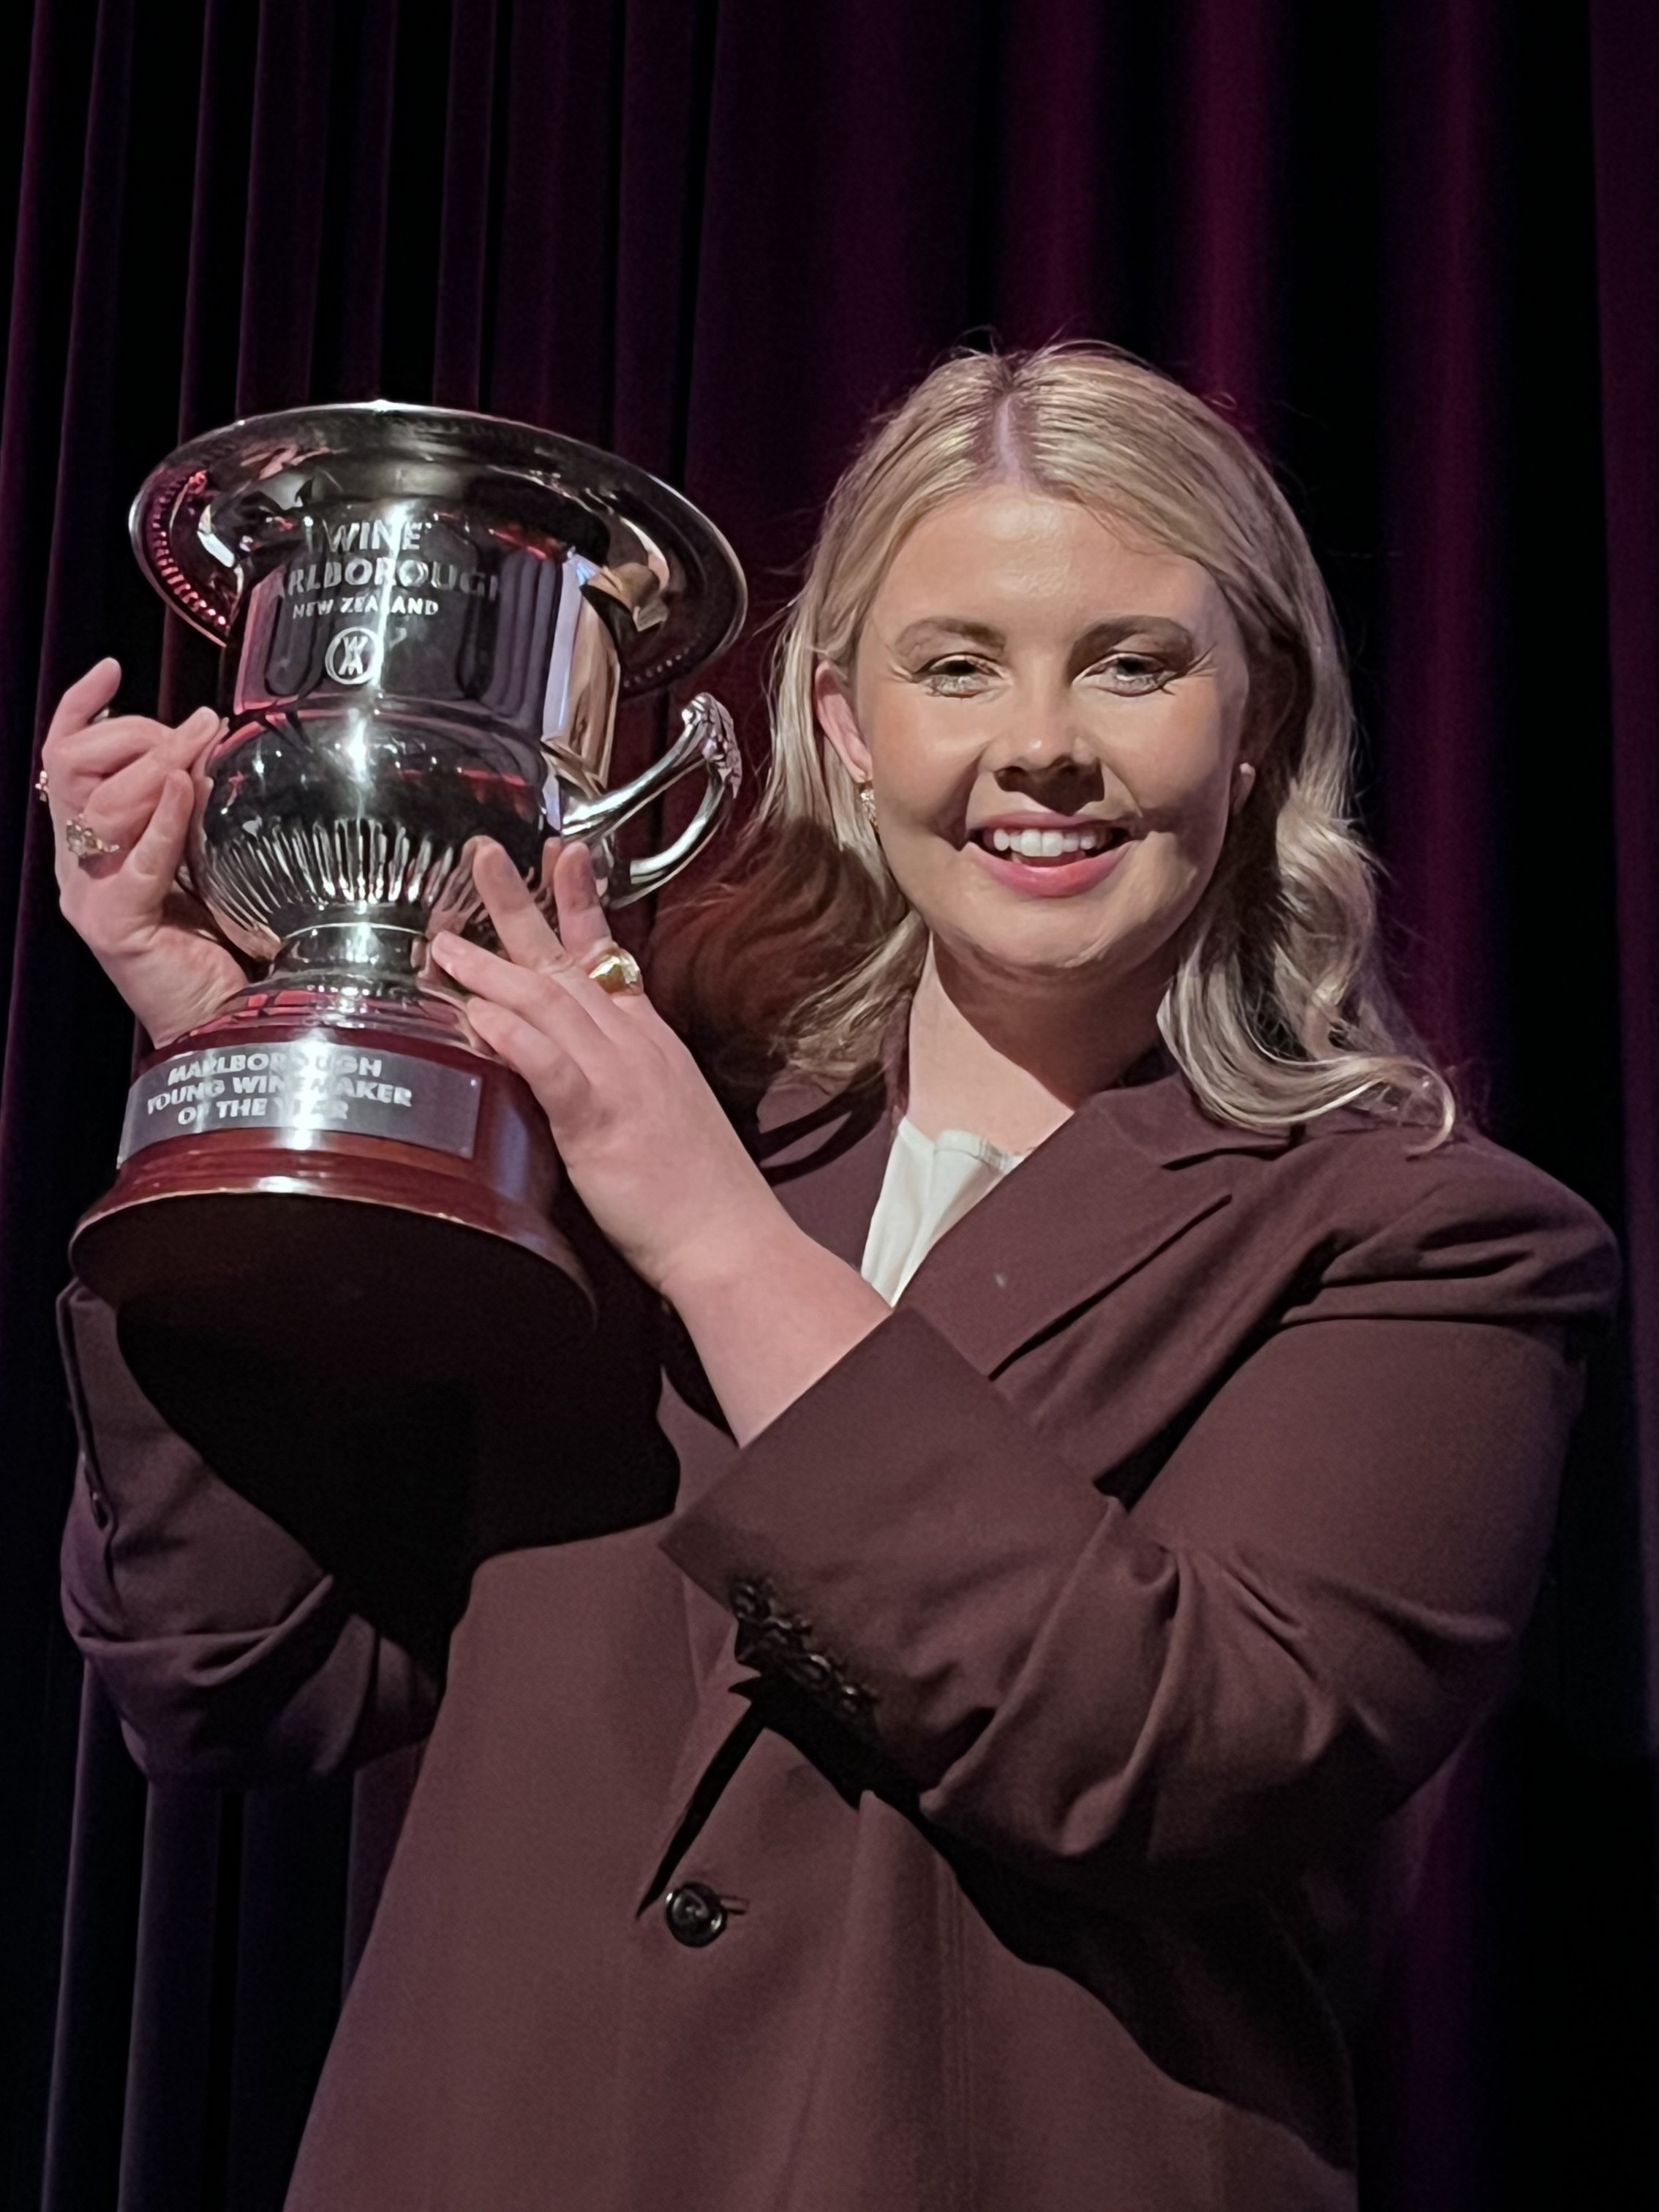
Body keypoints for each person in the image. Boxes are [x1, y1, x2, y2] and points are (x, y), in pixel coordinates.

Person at [45, 346, 1617, 2211]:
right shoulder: (621, 1127)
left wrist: (720, 1246)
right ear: (841, 721)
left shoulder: (1431, 1243)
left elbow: (1177, 1750)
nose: (1042, 745)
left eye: (1134, 664)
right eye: (957, 666)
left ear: (1257, 717)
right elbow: (233, 1678)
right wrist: (245, 1088)